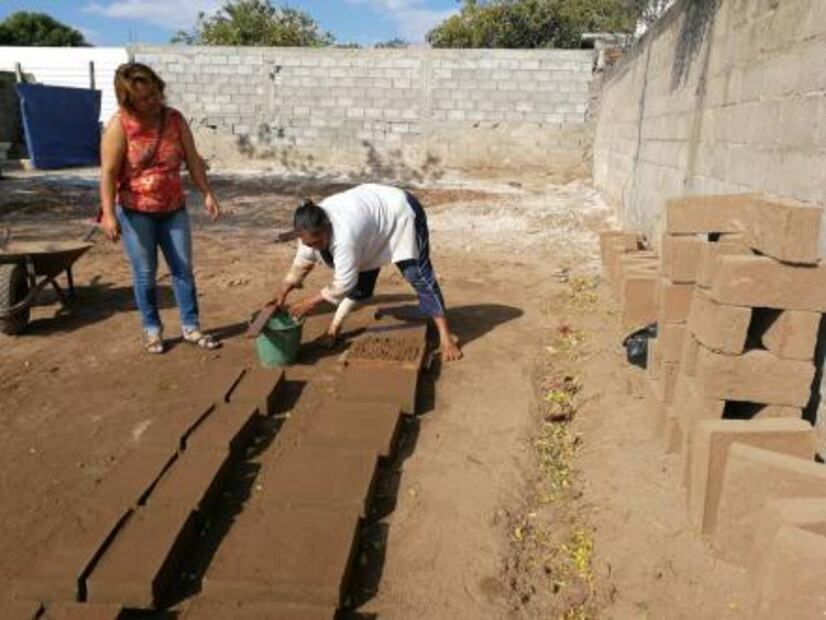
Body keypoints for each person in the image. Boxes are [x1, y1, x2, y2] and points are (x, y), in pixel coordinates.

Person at [99, 62, 220, 354]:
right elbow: (108, 173)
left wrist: (207, 193)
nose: (153, 101)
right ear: (128, 100)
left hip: (174, 208)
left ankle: (191, 327)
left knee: (183, 269)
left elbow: (192, 159)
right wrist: (108, 213)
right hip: (136, 212)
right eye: (144, 98)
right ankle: (152, 330)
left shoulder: (174, 120)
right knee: (145, 273)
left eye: (155, 93)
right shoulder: (120, 126)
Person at [273, 183, 463, 362]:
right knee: (361, 286)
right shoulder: (308, 227)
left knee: (416, 274)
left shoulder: (345, 237)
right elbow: (303, 262)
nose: (313, 247)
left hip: (400, 213)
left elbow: (342, 284)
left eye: (317, 243)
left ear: (326, 228)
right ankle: (333, 330)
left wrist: (309, 302)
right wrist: (283, 292)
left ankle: (446, 338)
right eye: (309, 244)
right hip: (372, 223)